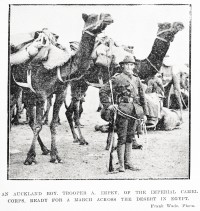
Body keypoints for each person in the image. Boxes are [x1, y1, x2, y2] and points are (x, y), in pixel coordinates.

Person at [99, 55, 148, 172]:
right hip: (122, 111)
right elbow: (103, 91)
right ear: (122, 66)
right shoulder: (117, 78)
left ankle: (128, 162)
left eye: (131, 65)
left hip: (135, 111)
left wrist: (144, 114)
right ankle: (121, 165)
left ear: (134, 66)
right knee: (122, 137)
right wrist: (109, 105)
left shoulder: (137, 79)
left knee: (130, 137)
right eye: (127, 64)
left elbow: (142, 97)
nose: (129, 67)